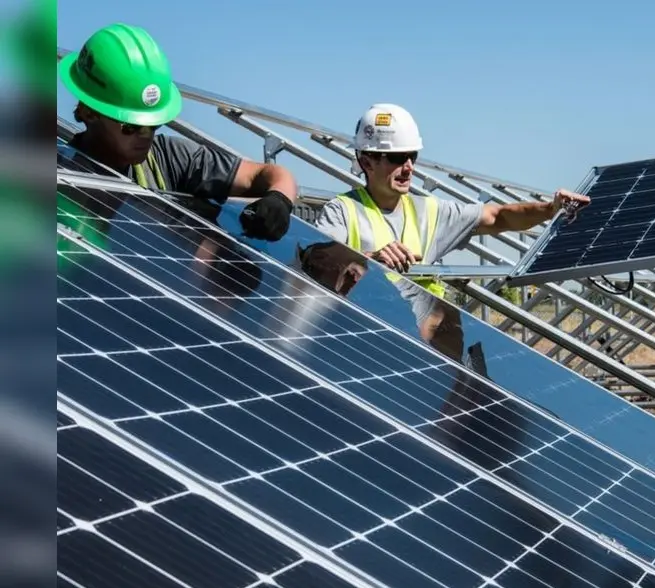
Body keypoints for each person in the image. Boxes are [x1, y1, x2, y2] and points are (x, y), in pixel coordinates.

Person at [313, 103, 589, 353]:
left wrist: (551, 208)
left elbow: (498, 216)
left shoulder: (430, 211)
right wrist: (371, 260)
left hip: (430, 346)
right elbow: (317, 273)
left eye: (412, 156)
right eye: (397, 158)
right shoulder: (341, 212)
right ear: (366, 161)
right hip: (368, 344)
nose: (408, 167)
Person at [58, 23, 298, 242]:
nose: (145, 136)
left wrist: (279, 200)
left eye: (154, 124)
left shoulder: (171, 157)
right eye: (131, 126)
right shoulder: (59, 180)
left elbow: (267, 174)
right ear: (89, 113)